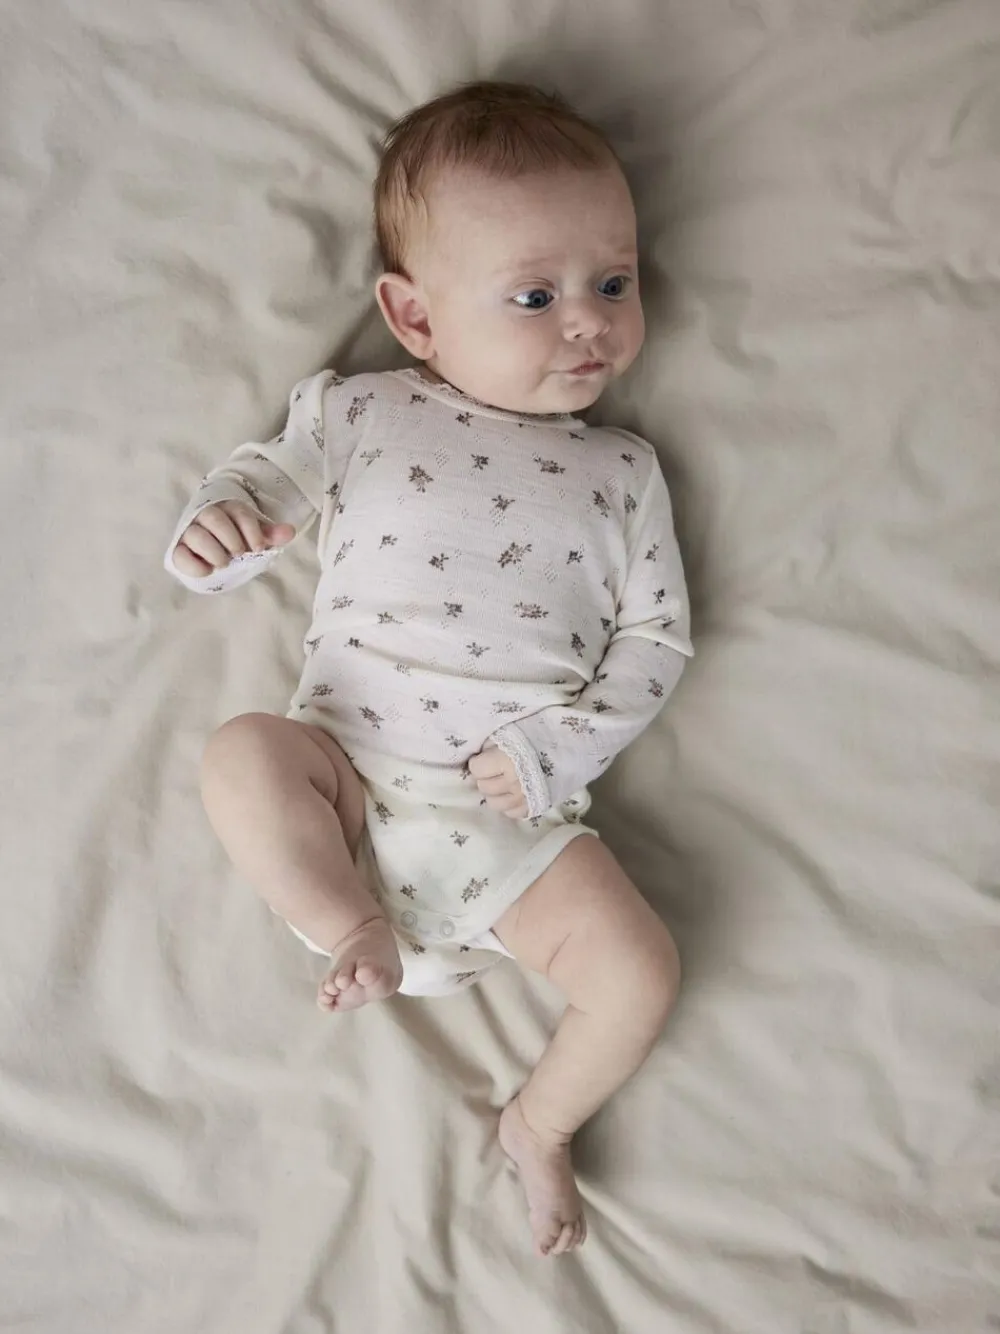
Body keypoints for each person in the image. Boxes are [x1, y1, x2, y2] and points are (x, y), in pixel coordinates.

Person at [164, 81, 693, 1258]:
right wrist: (220, 527)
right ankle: (349, 921)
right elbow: (262, 485)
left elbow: (655, 643)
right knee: (241, 752)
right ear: (414, 317)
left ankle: (540, 1123)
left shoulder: (622, 473)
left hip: (511, 818)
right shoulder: (357, 414)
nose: (587, 321)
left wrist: (557, 747)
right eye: (535, 295)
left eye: (614, 282)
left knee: (642, 969)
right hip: (344, 779)